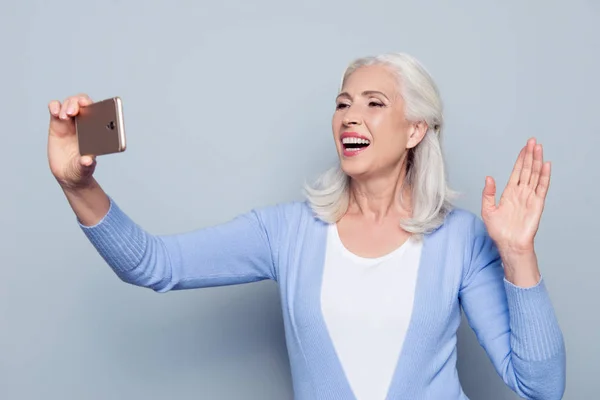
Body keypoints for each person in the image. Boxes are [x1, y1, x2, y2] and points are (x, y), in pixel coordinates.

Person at [47, 52, 566, 400]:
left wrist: (518, 254)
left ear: (415, 130)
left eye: (373, 104)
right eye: (342, 103)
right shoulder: (287, 233)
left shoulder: (462, 241)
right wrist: (78, 186)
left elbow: (540, 388)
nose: (348, 116)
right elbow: (153, 264)